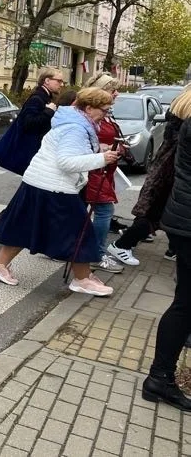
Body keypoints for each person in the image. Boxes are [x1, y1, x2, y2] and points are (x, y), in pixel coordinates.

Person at [0, 88, 121, 297]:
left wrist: (97, 153)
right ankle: (83, 279)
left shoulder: (71, 121)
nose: (106, 114)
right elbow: (66, 162)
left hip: (40, 181)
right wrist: (102, 159)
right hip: (55, 186)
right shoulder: (76, 128)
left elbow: (67, 153)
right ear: (89, 107)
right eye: (104, 110)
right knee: (79, 232)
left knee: (25, 225)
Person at [142, 98, 191, 411]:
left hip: (183, 220)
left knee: (185, 302)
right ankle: (160, 377)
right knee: (185, 304)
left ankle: (160, 377)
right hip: (188, 222)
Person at [108, 88, 191, 265]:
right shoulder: (186, 121)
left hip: (168, 165)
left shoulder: (179, 107)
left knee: (159, 209)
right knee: (157, 211)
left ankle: (172, 249)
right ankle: (122, 244)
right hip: (174, 170)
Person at [0, 67, 65, 225]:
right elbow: (29, 124)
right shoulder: (38, 98)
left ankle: (5, 217)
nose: (61, 84)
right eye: (58, 80)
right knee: (31, 187)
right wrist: (49, 112)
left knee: (30, 187)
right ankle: (6, 219)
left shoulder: (45, 96)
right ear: (47, 81)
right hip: (28, 151)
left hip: (33, 151)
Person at [82, 73, 126, 274]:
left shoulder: (106, 112)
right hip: (94, 171)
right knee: (104, 211)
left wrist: (118, 146)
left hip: (103, 169)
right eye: (112, 89)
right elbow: (84, 140)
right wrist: (101, 147)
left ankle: (69, 247)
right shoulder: (91, 112)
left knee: (79, 210)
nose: (116, 93)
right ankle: (96, 255)